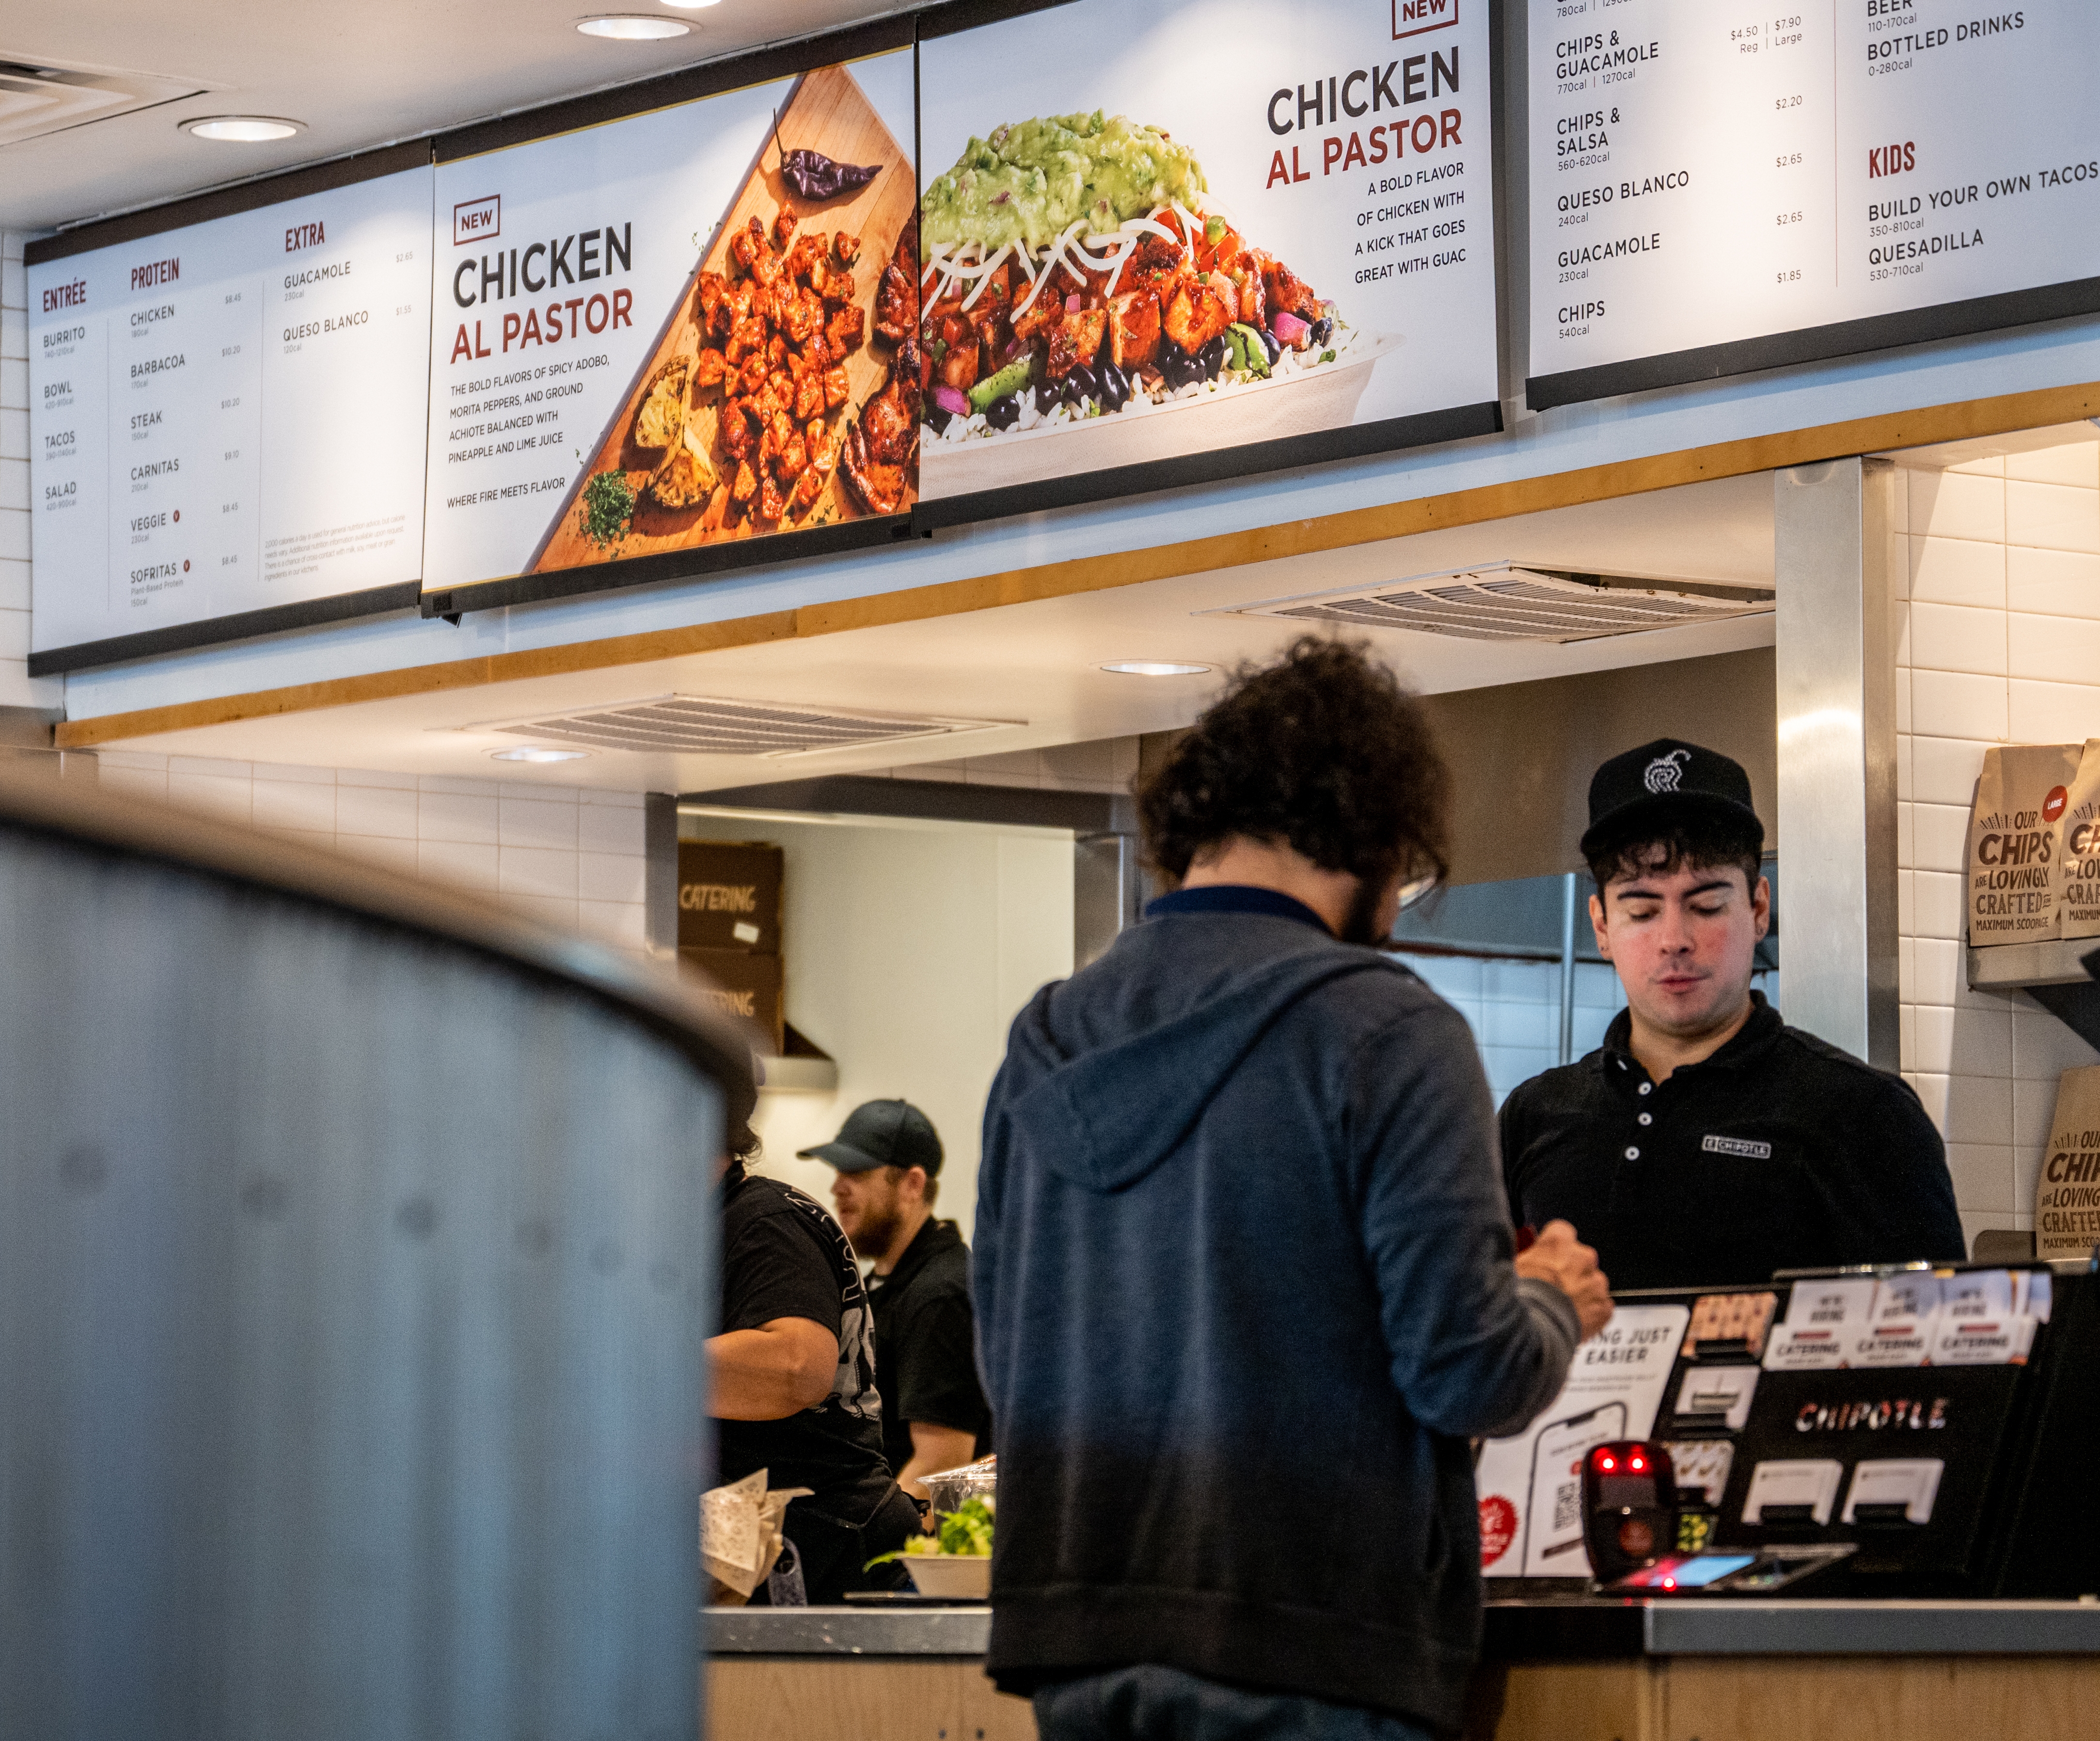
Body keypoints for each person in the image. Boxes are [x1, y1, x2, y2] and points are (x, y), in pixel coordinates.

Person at [975, 637, 1614, 1741]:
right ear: (1372, 831)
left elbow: (1007, 1362)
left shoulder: (1046, 1038)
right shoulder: (1388, 1030)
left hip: (1080, 1645)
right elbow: (1465, 1373)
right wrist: (1552, 1297)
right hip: (1317, 1648)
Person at [1500, 738, 1963, 1292]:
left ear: (1759, 907)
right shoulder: (1533, 1115)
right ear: (1601, 925)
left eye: (1706, 906)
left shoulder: (1863, 1112)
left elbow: (1939, 1343)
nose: (1674, 939)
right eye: (1642, 911)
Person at [709, 1112, 920, 1603]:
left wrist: (614, 1362)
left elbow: (795, 1367)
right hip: (763, 1551)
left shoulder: (764, 1220)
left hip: (827, 1550)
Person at [804, 1099, 993, 1510]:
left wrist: (867, 1549)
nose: (837, 1188)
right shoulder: (887, 1283)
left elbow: (940, 1465)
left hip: (908, 1559)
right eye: (838, 1173)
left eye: (855, 1173)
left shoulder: (939, 1295)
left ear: (912, 1184)